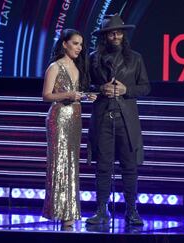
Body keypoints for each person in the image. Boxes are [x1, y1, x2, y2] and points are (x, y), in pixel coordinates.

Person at [86, 14, 151, 226]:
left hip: (126, 120)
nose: (116, 36)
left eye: (119, 32)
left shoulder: (136, 58)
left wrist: (126, 89)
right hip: (103, 117)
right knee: (103, 166)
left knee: (129, 166)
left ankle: (132, 211)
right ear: (105, 36)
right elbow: (85, 86)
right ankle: (101, 210)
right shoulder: (93, 57)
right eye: (112, 33)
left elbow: (146, 87)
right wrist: (99, 88)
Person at [42, 28, 96, 229]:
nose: (79, 48)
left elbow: (75, 93)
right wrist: (68, 95)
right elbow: (46, 95)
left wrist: (85, 96)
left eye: (81, 45)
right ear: (64, 44)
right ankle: (59, 212)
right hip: (59, 118)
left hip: (75, 117)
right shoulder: (55, 67)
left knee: (72, 164)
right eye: (75, 43)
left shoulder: (78, 67)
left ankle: (69, 213)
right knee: (60, 163)